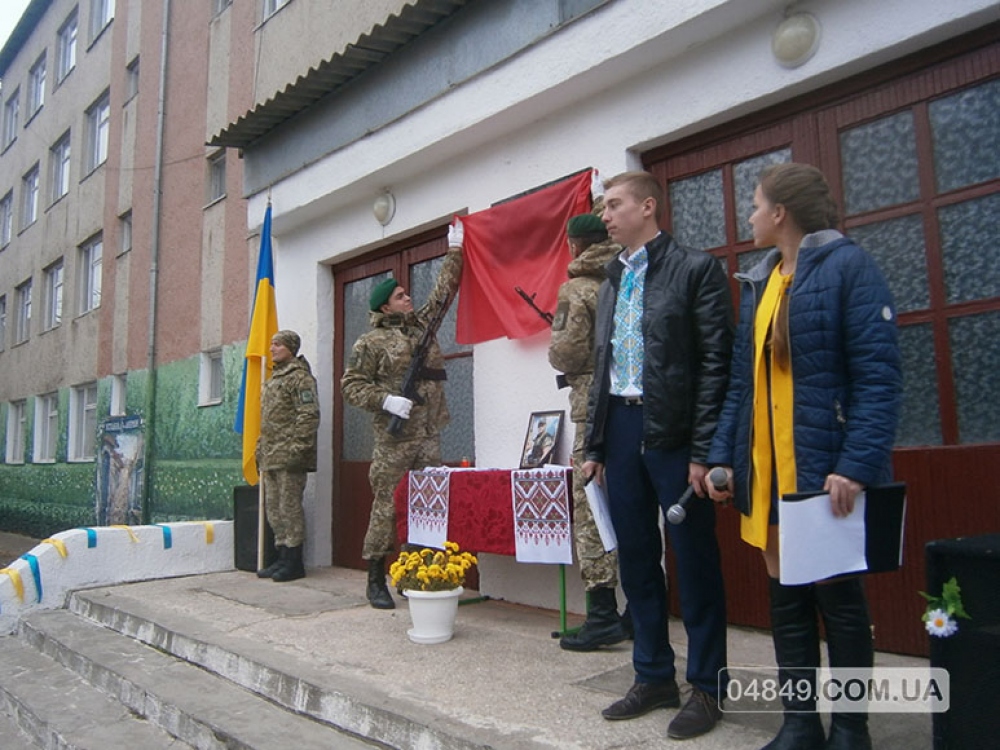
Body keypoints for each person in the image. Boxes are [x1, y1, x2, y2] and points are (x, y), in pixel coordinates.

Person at [706, 163, 902, 750]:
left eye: (755, 205)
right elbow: (742, 386)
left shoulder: (850, 268)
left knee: (839, 602)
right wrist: (722, 459)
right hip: (768, 477)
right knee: (787, 600)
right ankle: (799, 725)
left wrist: (856, 465)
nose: (749, 216)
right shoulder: (761, 282)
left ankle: (850, 730)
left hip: (825, 474)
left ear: (780, 213)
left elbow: (879, 380)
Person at [582, 171, 733, 740]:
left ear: (648, 207)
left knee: (694, 562)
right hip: (621, 429)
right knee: (637, 561)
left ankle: (708, 686)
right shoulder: (610, 280)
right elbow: (602, 367)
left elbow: (717, 363)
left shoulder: (696, 269)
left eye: (614, 204)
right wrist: (595, 445)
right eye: (604, 207)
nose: (606, 215)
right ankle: (652, 676)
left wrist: (705, 449)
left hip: (676, 434)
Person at [341, 222, 464, 609]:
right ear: (385, 307)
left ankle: (416, 574)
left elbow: (443, 292)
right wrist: (386, 400)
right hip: (394, 438)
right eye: (400, 296)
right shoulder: (370, 342)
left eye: (406, 293)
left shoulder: (421, 326)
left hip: (428, 433)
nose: (408, 297)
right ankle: (375, 576)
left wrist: (455, 249)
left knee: (427, 505)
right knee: (386, 505)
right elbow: (351, 385)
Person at [548, 197, 630, 652]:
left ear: (576, 245)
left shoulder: (577, 289)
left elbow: (564, 353)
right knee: (633, 505)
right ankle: (638, 609)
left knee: (590, 506)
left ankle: (601, 614)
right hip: (635, 406)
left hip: (592, 409)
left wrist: (558, 349)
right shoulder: (627, 275)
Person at [255, 330, 320, 583]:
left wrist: (299, 448)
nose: (272, 348)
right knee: (274, 509)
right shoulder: (273, 379)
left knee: (289, 508)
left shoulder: (300, 378)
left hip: (290, 455)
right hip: (271, 454)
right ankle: (281, 556)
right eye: (272, 344)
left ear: (291, 348)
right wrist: (260, 448)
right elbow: (268, 420)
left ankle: (294, 561)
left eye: (278, 344)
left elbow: (308, 415)